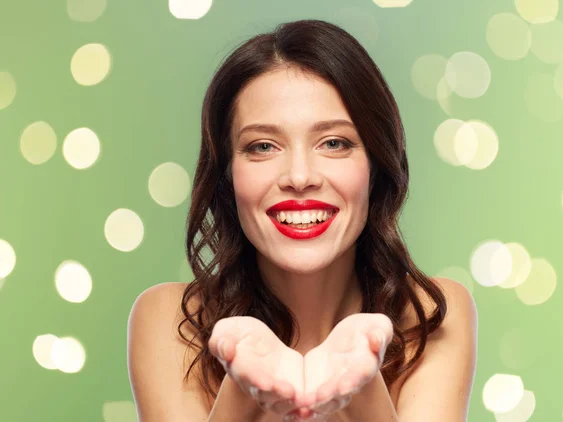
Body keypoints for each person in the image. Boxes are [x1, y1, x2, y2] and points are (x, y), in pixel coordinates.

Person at [127, 19, 478, 422]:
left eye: (333, 143)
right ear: (228, 174)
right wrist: (245, 385)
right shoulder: (170, 318)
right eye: (262, 146)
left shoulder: (432, 313)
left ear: (376, 166)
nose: (299, 177)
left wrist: (359, 383)